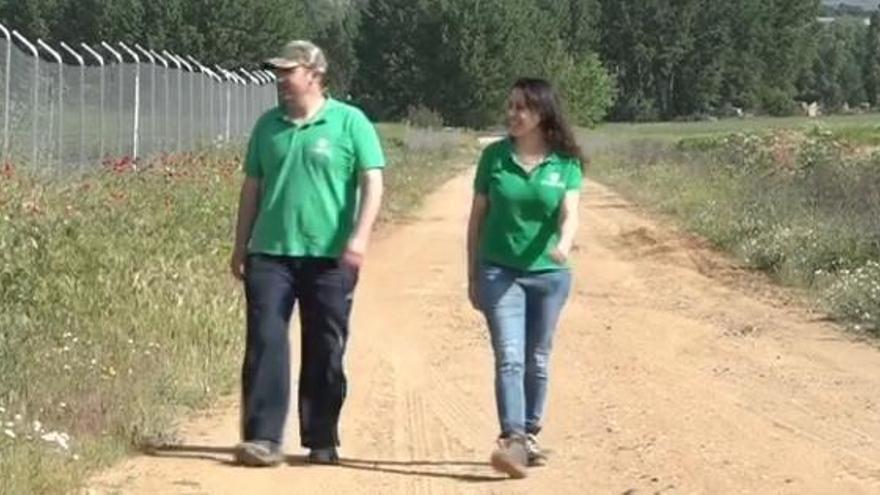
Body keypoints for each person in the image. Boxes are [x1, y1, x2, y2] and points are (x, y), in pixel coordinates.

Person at [229, 40, 385, 467]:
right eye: (278, 73)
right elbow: (252, 190)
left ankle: (321, 437)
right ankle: (262, 438)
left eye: (287, 72)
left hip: (329, 258)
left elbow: (373, 183)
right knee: (265, 341)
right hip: (270, 253)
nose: (280, 80)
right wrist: (240, 245)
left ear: (314, 74)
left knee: (325, 345)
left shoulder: (349, 123)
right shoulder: (267, 127)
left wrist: (359, 237)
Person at [466, 77, 585, 479]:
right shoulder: (495, 158)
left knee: (537, 357)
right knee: (510, 356)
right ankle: (512, 439)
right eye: (511, 106)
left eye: (522, 107)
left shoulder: (565, 163)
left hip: (550, 275)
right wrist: (472, 273)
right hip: (498, 270)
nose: (513, 114)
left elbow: (570, 213)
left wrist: (565, 244)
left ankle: (530, 433)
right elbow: (476, 219)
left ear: (542, 114)